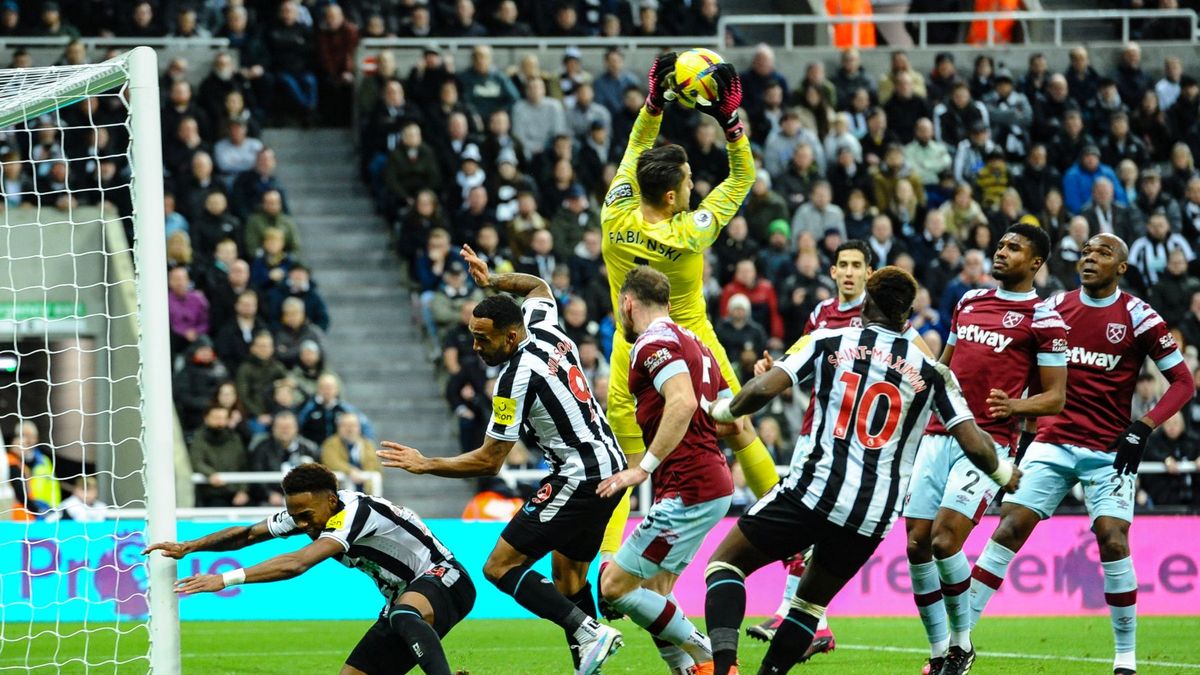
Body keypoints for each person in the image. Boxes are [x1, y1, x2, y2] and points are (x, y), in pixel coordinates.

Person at [701, 267, 1020, 675]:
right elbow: (973, 438)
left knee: (725, 565)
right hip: (869, 516)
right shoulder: (932, 371)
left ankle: (725, 667)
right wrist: (1002, 473)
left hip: (811, 492)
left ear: (865, 303)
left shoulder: (828, 339)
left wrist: (721, 410)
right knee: (810, 604)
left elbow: (763, 389)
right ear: (907, 316)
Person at [377, 248, 625, 675]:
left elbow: (490, 461)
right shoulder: (545, 327)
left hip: (578, 475)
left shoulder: (513, 380)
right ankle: (590, 653)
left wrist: (425, 463)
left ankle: (588, 632)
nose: (475, 346)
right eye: (473, 335)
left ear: (510, 337)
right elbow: (538, 287)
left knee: (500, 566)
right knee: (568, 583)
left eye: (483, 339)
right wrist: (492, 281)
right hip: (610, 467)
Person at [969, 234, 1194, 675]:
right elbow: (1034, 374)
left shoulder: (1139, 316)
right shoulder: (1052, 309)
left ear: (1122, 268)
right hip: (1052, 443)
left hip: (1109, 450)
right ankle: (957, 645)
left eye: (1103, 253)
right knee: (1009, 528)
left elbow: (1184, 382)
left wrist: (1143, 429)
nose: (1091, 258)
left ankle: (1125, 659)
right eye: (1087, 251)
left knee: (1113, 539)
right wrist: (1028, 431)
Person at [598, 53, 779, 573]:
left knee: (628, 459)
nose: (697, 184)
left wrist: (654, 103)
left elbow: (635, 148)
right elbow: (743, 177)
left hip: (628, 344)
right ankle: (788, 541)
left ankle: (611, 563)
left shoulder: (615, 211)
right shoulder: (690, 231)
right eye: (691, 180)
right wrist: (729, 120)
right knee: (736, 427)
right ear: (675, 195)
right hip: (691, 340)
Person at [902, 224, 1068, 675]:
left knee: (943, 539)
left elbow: (1055, 397)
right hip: (939, 435)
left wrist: (1015, 405)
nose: (1002, 252)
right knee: (916, 544)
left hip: (990, 442)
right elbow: (946, 370)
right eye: (1000, 245)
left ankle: (961, 645)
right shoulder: (969, 302)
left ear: (1036, 262)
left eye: (1014, 248)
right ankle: (940, 654)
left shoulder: (1045, 318)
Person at [144, 463, 474, 675]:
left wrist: (224, 579)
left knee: (403, 614)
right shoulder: (309, 514)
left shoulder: (356, 513)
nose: (302, 524)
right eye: (295, 516)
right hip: (403, 598)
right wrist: (189, 547)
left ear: (330, 500)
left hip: (446, 578)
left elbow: (298, 563)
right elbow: (247, 535)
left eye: (306, 515)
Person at [594, 266, 737, 674]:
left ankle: (708, 655)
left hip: (688, 486)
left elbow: (683, 403)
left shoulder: (649, 343)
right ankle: (691, 670)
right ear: (670, 304)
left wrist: (644, 468)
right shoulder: (697, 343)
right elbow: (729, 419)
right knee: (656, 593)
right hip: (709, 481)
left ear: (627, 303)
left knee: (614, 587)